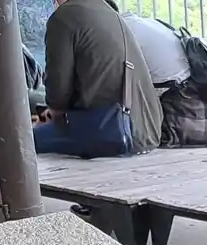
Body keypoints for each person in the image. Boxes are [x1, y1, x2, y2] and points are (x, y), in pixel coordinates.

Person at [35, 0, 161, 156]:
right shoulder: (109, 11)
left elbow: (58, 88)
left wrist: (53, 113)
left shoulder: (63, 17)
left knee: (24, 142)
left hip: (114, 131)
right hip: (147, 131)